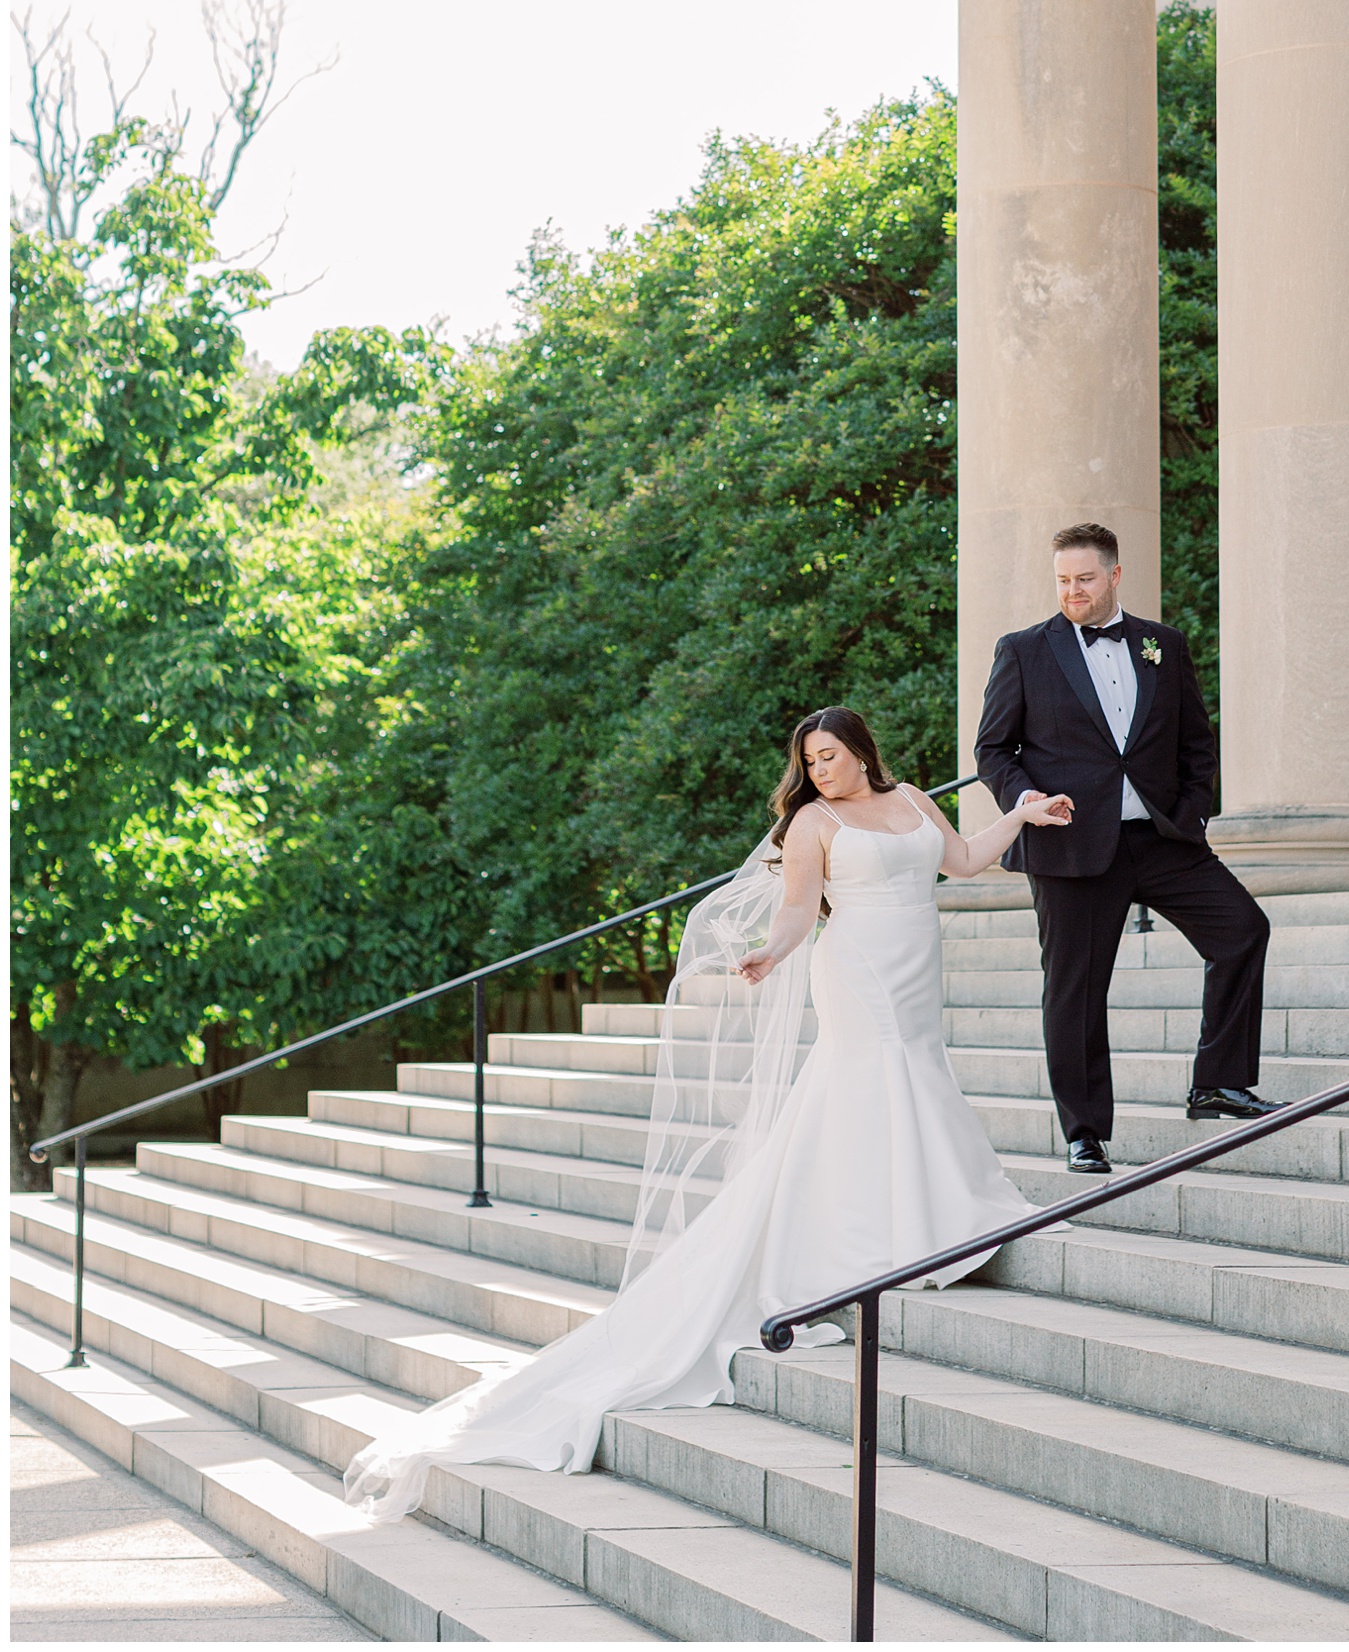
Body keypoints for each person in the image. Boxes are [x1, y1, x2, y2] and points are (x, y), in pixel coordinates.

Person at [342, 708, 1071, 1523]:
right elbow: (798, 910)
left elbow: (965, 863)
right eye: (810, 760)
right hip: (858, 967)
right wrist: (773, 950)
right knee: (871, 1077)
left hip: (916, 965)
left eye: (830, 756)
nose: (821, 769)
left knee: (918, 1071)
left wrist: (1019, 814)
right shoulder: (811, 823)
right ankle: (886, 1236)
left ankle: (934, 1217)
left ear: (863, 751)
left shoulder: (914, 803)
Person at [974, 522, 1278, 1175]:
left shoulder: (1161, 645)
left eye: (1085, 578)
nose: (1073, 591)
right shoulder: (1024, 650)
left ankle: (1217, 1082)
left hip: (1163, 838)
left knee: (1243, 931)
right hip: (1070, 843)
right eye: (1062, 580)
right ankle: (1084, 1131)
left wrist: (1193, 811)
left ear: (1114, 575)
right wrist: (1027, 802)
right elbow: (993, 750)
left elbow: (1197, 740)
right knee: (1076, 991)